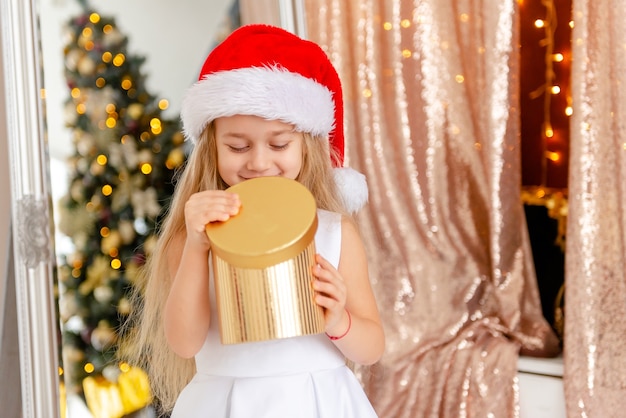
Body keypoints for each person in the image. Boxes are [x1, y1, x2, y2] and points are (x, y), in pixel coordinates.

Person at [121, 23, 385, 417]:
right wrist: (196, 246)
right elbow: (185, 343)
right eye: (237, 146)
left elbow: (373, 346)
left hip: (319, 403)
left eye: (279, 144)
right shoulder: (195, 237)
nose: (258, 162)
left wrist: (339, 320)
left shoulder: (334, 231)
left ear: (308, 146)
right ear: (212, 147)